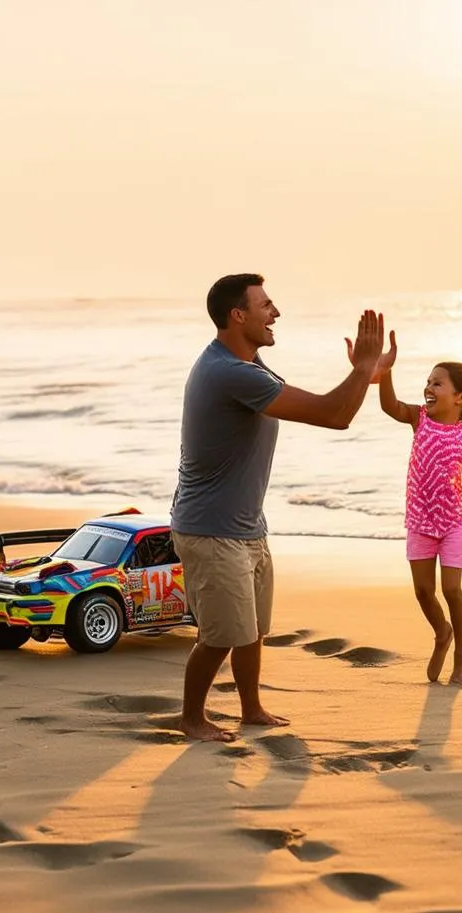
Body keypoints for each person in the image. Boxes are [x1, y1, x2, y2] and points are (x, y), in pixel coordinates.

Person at [170, 273, 390, 742]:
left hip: (246, 526)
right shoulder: (231, 373)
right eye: (266, 305)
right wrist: (361, 371)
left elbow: (328, 405)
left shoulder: (249, 364)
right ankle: (191, 719)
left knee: (251, 630)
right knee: (220, 636)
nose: (276, 313)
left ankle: (250, 709)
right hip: (211, 530)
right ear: (238, 315)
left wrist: (367, 374)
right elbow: (335, 416)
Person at [361, 340, 462, 685]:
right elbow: (390, 405)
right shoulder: (418, 418)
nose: (428, 388)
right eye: (428, 381)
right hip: (420, 523)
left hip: (452, 523)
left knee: (452, 589)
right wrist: (386, 372)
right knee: (423, 591)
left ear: (460, 397)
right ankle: (442, 633)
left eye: (438, 383)